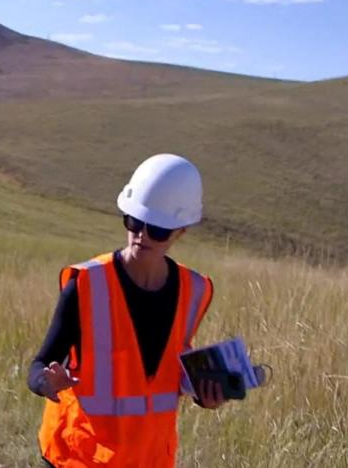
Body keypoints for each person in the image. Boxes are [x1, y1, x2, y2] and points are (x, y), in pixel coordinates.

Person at [29, 153, 225, 468]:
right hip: (80, 457)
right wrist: (45, 383)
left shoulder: (195, 291)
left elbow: (165, 374)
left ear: (181, 231)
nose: (141, 235)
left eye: (157, 230)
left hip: (148, 459)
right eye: (134, 222)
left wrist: (206, 397)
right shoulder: (86, 284)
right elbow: (39, 364)